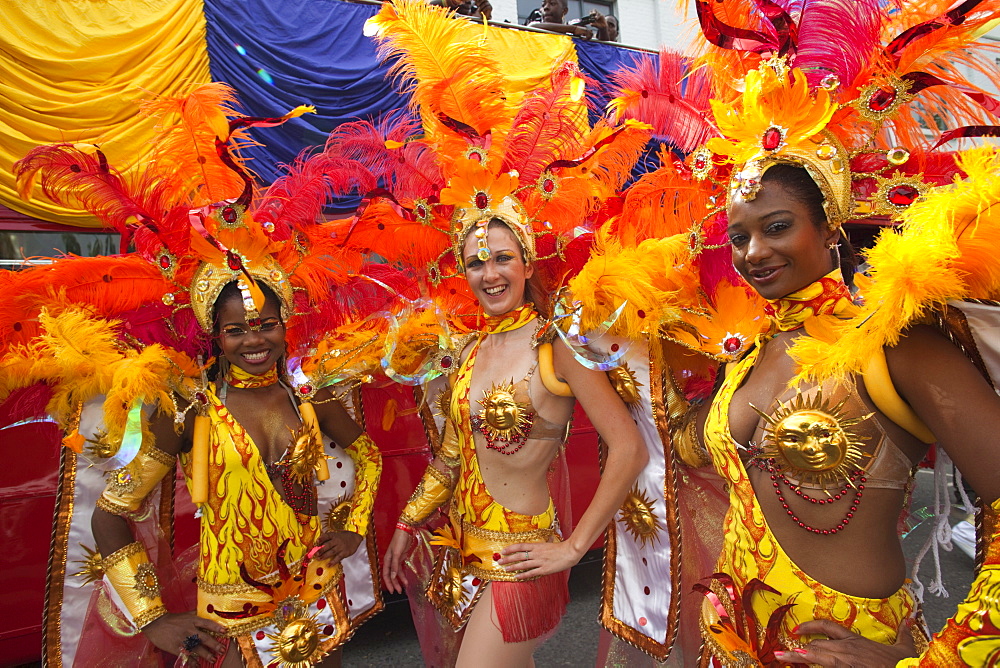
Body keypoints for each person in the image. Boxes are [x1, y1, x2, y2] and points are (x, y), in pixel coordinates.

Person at [3, 83, 390, 667]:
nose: (253, 340)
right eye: (236, 330)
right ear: (214, 335)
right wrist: (153, 618)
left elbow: (370, 457)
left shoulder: (310, 394)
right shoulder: (189, 411)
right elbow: (111, 515)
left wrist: (355, 526)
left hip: (314, 607)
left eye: (264, 325)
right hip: (229, 624)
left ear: (287, 324)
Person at [381, 213, 647, 666]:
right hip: (464, 557)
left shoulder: (554, 344)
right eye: (476, 264)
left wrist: (574, 547)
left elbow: (630, 447)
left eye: (503, 259)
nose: (490, 275)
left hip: (522, 561)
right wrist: (407, 523)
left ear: (527, 264)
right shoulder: (467, 351)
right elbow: (452, 455)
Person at [528, 0, 595, 38]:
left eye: (552, 3)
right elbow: (532, 26)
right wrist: (573, 29)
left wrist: (603, 29)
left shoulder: (573, 34)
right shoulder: (535, 25)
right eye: (543, 5)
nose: (546, 7)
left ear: (564, 11)